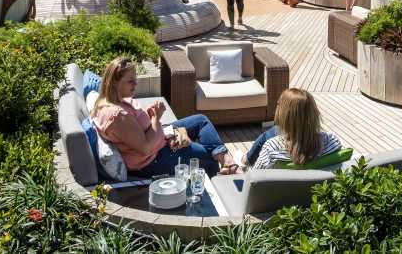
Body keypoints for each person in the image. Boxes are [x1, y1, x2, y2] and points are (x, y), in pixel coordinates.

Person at [92, 58, 238, 178]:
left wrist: (152, 118)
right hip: (153, 160)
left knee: (201, 121)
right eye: (130, 81)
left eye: (135, 79)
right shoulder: (117, 116)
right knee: (208, 156)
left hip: (159, 140)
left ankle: (226, 159)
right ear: (114, 82)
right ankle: (216, 190)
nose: (136, 84)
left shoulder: (116, 101)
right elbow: (146, 148)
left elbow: (137, 131)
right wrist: (156, 118)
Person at [243, 88, 343, 169]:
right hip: (321, 188)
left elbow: (254, 180)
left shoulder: (271, 149)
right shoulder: (332, 141)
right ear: (314, 114)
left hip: (280, 188)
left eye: (278, 105)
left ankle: (246, 159)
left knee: (270, 133)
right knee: (272, 131)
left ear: (284, 116)